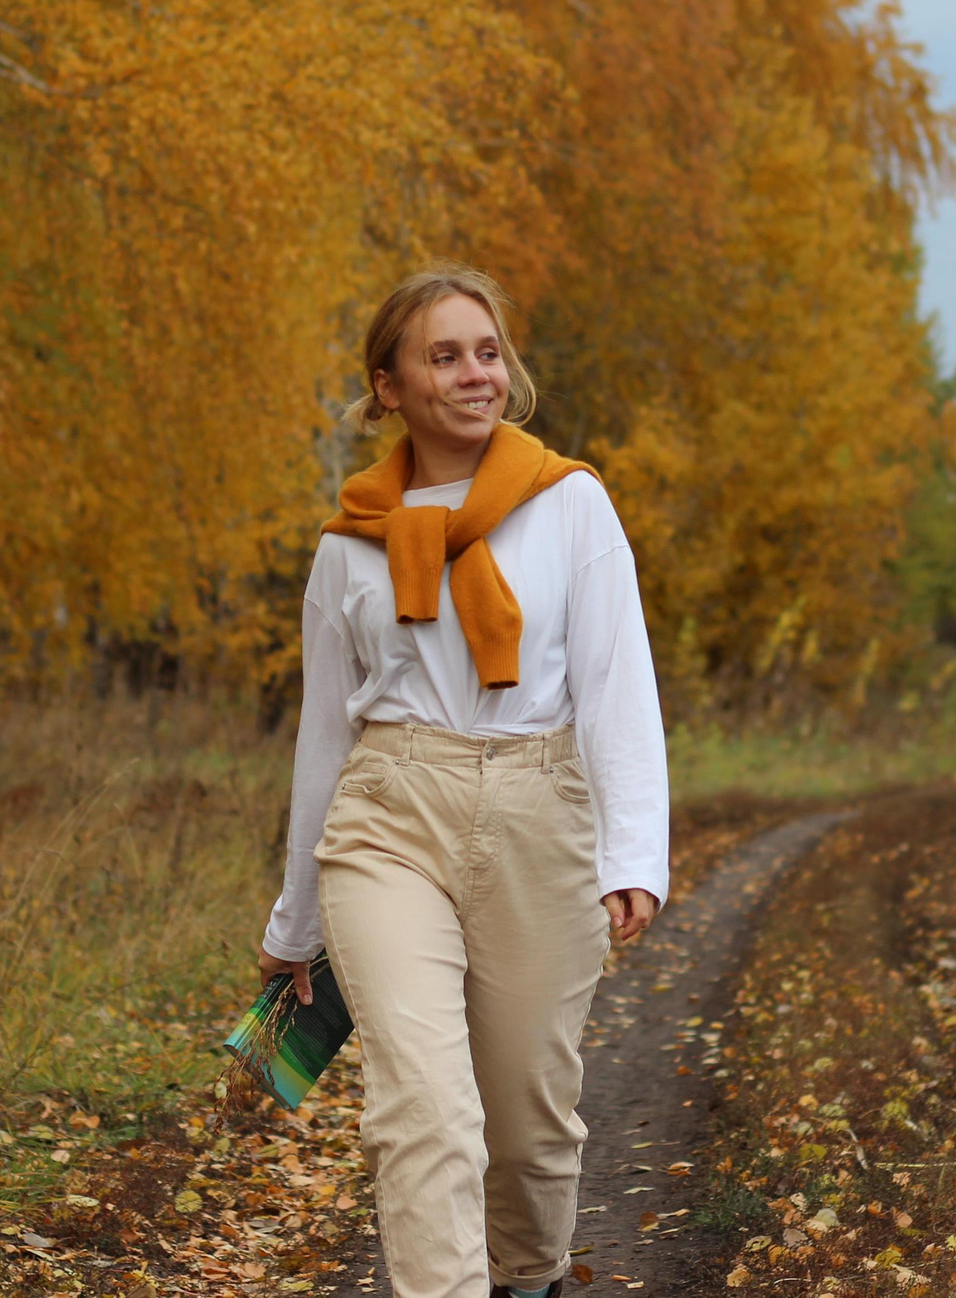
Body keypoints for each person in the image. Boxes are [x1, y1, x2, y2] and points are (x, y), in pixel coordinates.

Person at [258, 267, 671, 1298]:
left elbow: (619, 683)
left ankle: (525, 1277)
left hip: (540, 806)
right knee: (425, 1113)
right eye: (443, 356)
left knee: (529, 1125)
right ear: (389, 385)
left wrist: (634, 852)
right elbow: (323, 738)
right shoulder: (347, 547)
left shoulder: (569, 502)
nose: (474, 374)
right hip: (389, 816)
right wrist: (293, 920)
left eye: (485, 351)